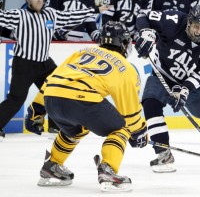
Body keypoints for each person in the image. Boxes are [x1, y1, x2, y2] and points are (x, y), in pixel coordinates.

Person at [26, 21, 147, 192]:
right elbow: (130, 112)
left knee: (76, 129)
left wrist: (37, 108)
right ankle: (108, 170)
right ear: (124, 43)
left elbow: (54, 77)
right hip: (81, 99)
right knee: (122, 128)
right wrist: (139, 131)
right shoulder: (124, 66)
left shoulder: (83, 52)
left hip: (52, 98)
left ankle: (52, 166)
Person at [135, 5, 200, 173]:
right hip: (162, 74)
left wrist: (184, 91)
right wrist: (146, 33)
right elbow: (143, 16)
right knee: (150, 104)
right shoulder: (173, 20)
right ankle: (164, 153)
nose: (199, 31)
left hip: (192, 86)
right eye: (196, 26)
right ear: (188, 22)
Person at [0, 0, 96, 141]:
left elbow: (69, 16)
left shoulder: (50, 14)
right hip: (24, 64)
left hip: (44, 63)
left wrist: (96, 10)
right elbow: (2, 17)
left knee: (57, 92)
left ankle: (54, 126)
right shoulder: (19, 15)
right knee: (16, 99)